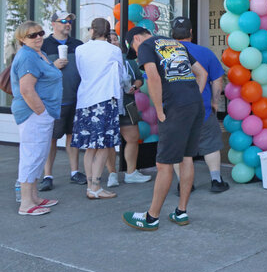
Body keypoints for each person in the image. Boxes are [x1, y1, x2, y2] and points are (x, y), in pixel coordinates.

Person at [121, 26, 207, 231]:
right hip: (194, 106)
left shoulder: (145, 45)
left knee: (164, 164)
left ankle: (151, 218)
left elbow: (153, 76)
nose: (136, 52)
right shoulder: (176, 43)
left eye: (133, 47)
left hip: (174, 109)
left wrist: (159, 109)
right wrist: (193, 96)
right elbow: (201, 73)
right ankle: (181, 212)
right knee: (186, 158)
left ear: (136, 39)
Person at [171, 17, 230, 192]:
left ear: (172, 34)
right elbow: (218, 81)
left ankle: (184, 184)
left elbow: (153, 81)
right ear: (191, 32)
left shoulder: (164, 55)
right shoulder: (205, 53)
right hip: (200, 109)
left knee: (178, 148)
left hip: (174, 111)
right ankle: (216, 181)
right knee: (210, 144)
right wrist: (214, 102)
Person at [11, 21, 62, 215]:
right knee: (31, 155)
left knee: (39, 154)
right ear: (22, 39)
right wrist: (41, 111)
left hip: (41, 112)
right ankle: (26, 203)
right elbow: (26, 89)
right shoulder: (27, 57)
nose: (38, 37)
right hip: (34, 113)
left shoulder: (37, 54)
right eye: (32, 35)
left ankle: (34, 197)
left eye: (40, 33)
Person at [72, 17, 123, 199]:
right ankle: (96, 186)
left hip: (85, 98)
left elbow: (81, 71)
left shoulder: (80, 49)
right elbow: (121, 74)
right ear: (108, 32)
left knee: (89, 147)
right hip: (105, 99)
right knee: (103, 145)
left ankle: (90, 187)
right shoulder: (113, 50)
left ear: (92, 30)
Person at [40, 11, 86, 190]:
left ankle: (75, 172)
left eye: (70, 22)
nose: (68, 24)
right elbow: (36, 73)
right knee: (50, 138)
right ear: (53, 24)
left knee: (72, 137)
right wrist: (53, 66)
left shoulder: (78, 45)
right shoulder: (44, 45)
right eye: (64, 21)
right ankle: (47, 176)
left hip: (76, 99)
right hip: (53, 101)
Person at [105, 29, 151, 187]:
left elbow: (139, 79)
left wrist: (134, 86)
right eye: (110, 40)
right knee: (109, 141)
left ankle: (130, 173)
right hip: (107, 105)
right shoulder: (101, 61)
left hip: (127, 103)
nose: (114, 42)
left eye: (115, 39)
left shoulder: (128, 61)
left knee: (132, 138)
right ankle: (112, 174)